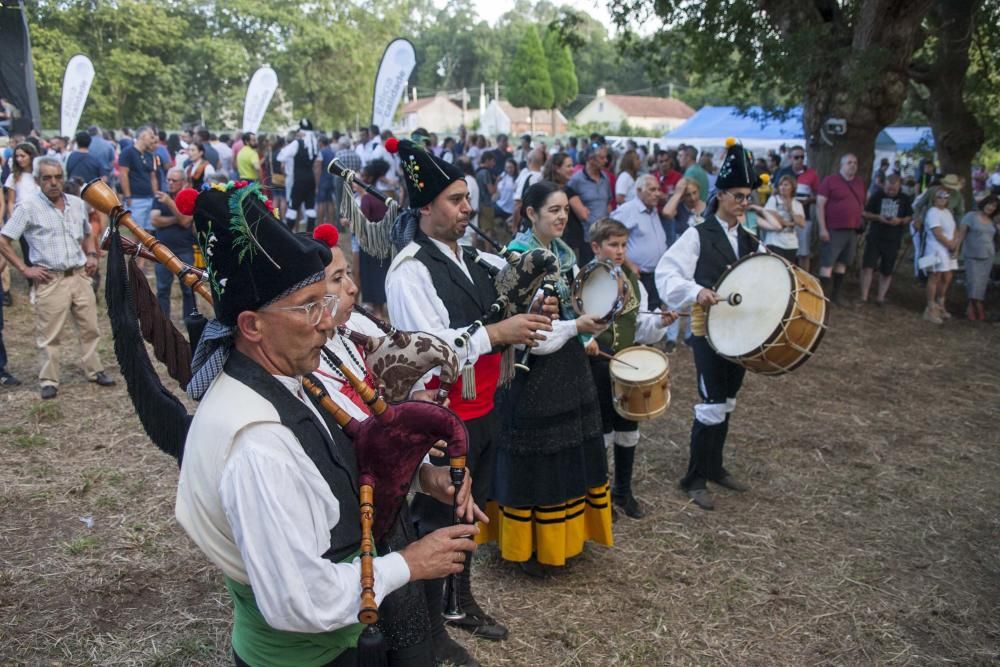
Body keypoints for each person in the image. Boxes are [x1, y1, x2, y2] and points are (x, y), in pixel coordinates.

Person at [176, 181, 481, 667]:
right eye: (310, 305)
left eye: (327, 299)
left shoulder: (280, 379)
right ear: (252, 326)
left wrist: (420, 476)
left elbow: (337, 459)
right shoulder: (259, 445)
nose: (328, 320)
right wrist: (409, 563)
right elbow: (301, 601)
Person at [385, 138, 552, 665]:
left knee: (468, 515)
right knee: (438, 520)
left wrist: (533, 296)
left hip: (483, 410)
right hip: (441, 416)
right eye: (456, 200)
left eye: (466, 199)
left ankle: (458, 602)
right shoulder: (410, 270)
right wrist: (498, 331)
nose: (466, 209)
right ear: (425, 207)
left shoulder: (475, 257)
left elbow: (508, 291)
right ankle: (429, 630)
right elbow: (430, 353)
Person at [481, 180, 612, 574]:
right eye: (552, 210)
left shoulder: (563, 255)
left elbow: (571, 310)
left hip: (567, 369)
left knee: (567, 455)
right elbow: (531, 335)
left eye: (565, 211)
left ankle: (565, 538)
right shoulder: (518, 260)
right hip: (531, 376)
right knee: (537, 462)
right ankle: (531, 548)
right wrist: (577, 329)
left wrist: (585, 329)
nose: (561, 217)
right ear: (531, 214)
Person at [655, 139, 762, 511]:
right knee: (712, 403)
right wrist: (696, 290)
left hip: (741, 335)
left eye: (748, 196)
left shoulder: (751, 240)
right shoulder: (698, 234)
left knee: (728, 402)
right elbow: (667, 274)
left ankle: (714, 466)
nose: (744, 203)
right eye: (738, 196)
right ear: (720, 196)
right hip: (709, 333)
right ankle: (694, 477)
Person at [0, 157, 116, 399]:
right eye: (47, 178)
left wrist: (92, 254)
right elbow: (4, 240)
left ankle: (95, 371)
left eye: (57, 177)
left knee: (90, 328)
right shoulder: (28, 207)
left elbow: (86, 233)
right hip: (50, 280)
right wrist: (24, 269)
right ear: (38, 180)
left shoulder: (76, 203)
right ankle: (49, 380)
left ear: (63, 177)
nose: (53, 183)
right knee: (50, 335)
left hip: (80, 276)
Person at [584, 218, 676, 518]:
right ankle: (599, 498)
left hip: (627, 361)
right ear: (596, 247)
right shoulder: (584, 277)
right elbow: (573, 319)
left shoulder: (632, 279)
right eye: (613, 245)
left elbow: (640, 325)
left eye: (624, 245)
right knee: (603, 432)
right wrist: (587, 339)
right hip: (597, 363)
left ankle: (623, 491)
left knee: (628, 428)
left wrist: (660, 323)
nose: (620, 251)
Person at [610, 175, 669, 314]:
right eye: (652, 190)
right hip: (639, 275)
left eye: (658, 189)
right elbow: (610, 238)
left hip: (657, 273)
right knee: (641, 313)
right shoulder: (627, 210)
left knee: (655, 313)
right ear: (638, 191)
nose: (657, 194)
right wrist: (629, 265)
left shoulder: (652, 209)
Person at [817, 153, 866, 306]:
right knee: (828, 263)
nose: (852, 165)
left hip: (851, 230)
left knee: (842, 263)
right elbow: (820, 206)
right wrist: (822, 228)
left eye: (855, 163)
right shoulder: (830, 181)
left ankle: (836, 296)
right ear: (842, 165)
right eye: (849, 162)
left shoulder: (859, 183)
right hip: (833, 229)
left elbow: (862, 204)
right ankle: (822, 298)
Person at [150, 168, 197, 321]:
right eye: (168, 180)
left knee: (188, 288)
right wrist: (178, 218)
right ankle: (164, 320)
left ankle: (190, 319)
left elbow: (186, 221)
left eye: (174, 180)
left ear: (183, 183)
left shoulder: (188, 198)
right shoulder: (159, 198)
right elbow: (155, 220)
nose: (170, 183)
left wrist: (170, 204)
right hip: (162, 250)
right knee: (163, 289)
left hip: (184, 249)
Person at [859, 174, 912, 305]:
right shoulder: (877, 195)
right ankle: (864, 296)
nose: (890, 191)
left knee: (887, 270)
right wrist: (878, 217)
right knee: (868, 267)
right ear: (884, 185)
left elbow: (909, 216)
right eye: (888, 188)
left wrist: (900, 220)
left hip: (893, 239)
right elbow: (865, 213)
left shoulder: (905, 198)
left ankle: (880, 298)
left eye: (894, 189)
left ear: (899, 186)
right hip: (875, 236)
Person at [352, 159, 393, 319]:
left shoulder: (367, 199)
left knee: (371, 276)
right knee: (381, 275)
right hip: (384, 242)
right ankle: (380, 309)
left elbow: (362, 223)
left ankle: (377, 314)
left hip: (369, 244)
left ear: (368, 178)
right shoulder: (385, 196)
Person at [920, 187, 960, 324]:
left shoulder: (948, 212)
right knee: (935, 276)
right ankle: (930, 308)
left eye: (945, 196)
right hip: (935, 249)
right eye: (939, 196)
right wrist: (950, 245)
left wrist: (955, 244)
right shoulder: (932, 212)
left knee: (947, 276)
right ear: (934, 198)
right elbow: (937, 233)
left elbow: (955, 229)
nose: (942, 199)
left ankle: (940, 304)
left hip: (948, 250)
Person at [568, 144, 612, 265]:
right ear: (590, 159)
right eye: (602, 158)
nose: (606, 161)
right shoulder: (576, 180)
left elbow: (608, 202)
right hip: (586, 238)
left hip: (604, 235)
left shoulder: (605, 178)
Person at [956, 195, 998, 321]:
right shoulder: (971, 216)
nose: (991, 207)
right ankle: (979, 307)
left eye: (994, 206)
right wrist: (956, 249)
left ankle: (970, 308)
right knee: (973, 282)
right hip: (972, 254)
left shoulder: (993, 221)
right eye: (990, 204)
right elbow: (961, 233)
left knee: (981, 284)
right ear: (984, 203)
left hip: (988, 256)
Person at [543, 151, 588, 265]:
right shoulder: (567, 191)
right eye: (568, 166)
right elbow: (584, 215)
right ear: (557, 169)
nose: (572, 169)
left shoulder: (544, 188)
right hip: (569, 241)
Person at [278, 119, 320, 232]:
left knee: (292, 208)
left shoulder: (297, 143)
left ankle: (288, 234)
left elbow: (281, 156)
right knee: (310, 208)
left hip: (299, 180)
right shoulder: (315, 145)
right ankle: (310, 235)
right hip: (310, 180)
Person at [118, 126, 159, 232]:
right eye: (151, 136)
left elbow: (153, 177)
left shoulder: (149, 155)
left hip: (150, 198)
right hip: (136, 199)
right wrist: (128, 196)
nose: (153, 140)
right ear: (143, 136)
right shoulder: (128, 152)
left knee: (148, 234)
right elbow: (123, 174)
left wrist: (155, 195)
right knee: (136, 233)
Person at [759, 174, 805, 262]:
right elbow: (775, 220)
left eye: (786, 185)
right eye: (781, 185)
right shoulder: (773, 200)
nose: (783, 187)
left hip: (791, 244)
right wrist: (791, 222)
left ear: (792, 187)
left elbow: (802, 223)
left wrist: (790, 210)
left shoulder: (797, 204)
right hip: (774, 242)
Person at [511, 149, 544, 233]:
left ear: (529, 161)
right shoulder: (544, 177)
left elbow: (518, 205)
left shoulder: (527, 177)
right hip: (541, 224)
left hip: (527, 226)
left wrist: (514, 227)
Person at [493, 158, 518, 236]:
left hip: (511, 210)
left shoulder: (518, 178)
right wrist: (497, 181)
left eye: (511, 167)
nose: (509, 169)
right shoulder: (503, 175)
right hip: (500, 205)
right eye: (507, 167)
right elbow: (498, 189)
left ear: (515, 167)